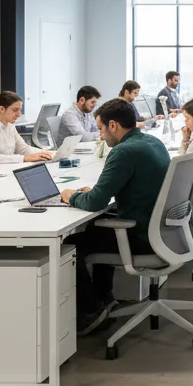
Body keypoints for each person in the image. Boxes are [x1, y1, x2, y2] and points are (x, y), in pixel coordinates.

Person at [60, 98, 172, 333]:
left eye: (100, 128)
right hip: (166, 231)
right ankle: (105, 299)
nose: (100, 135)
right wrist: (96, 192)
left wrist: (70, 196)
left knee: (71, 245)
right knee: (101, 229)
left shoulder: (124, 151)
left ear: (113, 125)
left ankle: (90, 313)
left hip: (142, 237)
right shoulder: (152, 142)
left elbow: (95, 202)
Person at [0, 91, 53, 169]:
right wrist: (24, 158)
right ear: (1, 109)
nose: (18, 114)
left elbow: (24, 149)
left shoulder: (10, 126)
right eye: (15, 110)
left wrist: (48, 153)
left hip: (7, 169)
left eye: (19, 110)